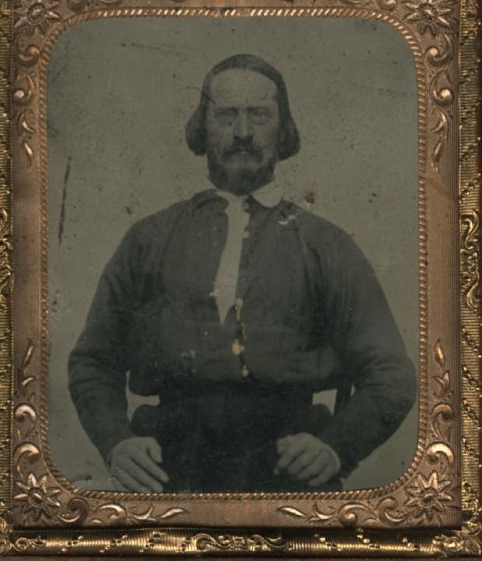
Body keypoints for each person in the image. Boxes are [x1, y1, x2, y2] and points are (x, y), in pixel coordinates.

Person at [68, 53, 417, 494]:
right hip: (167, 469)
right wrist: (117, 444)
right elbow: (93, 360)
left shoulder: (325, 245)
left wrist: (333, 448)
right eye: (226, 115)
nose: (244, 133)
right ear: (203, 128)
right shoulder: (149, 238)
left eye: (260, 115)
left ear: (283, 130)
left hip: (284, 473)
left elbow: (392, 373)